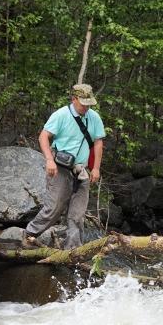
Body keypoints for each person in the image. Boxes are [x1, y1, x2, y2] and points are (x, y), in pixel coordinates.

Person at [23, 83, 105, 249]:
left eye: (89, 104)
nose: (86, 107)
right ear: (74, 99)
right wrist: (49, 160)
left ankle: (72, 250)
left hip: (82, 170)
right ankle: (29, 235)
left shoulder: (94, 117)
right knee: (54, 208)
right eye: (83, 103)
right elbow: (43, 137)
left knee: (77, 214)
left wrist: (96, 168)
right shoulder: (61, 115)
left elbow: (98, 142)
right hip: (60, 167)